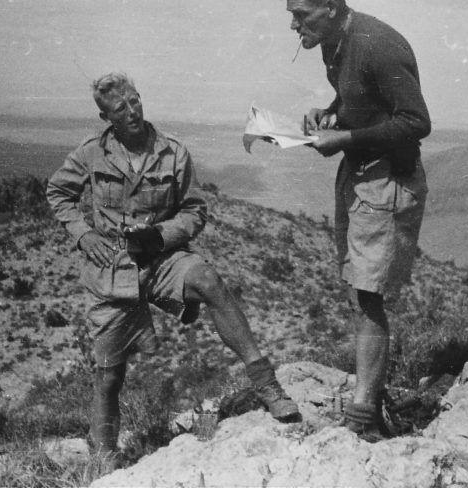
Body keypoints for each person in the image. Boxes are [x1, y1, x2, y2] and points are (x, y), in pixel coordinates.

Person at [46, 72, 300, 462]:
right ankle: (104, 461)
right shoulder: (91, 153)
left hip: (162, 258)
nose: (132, 112)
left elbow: (195, 210)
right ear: (106, 118)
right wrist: (84, 235)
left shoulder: (173, 152)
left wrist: (160, 235)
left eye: (135, 101)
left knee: (208, 279)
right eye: (120, 108)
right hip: (113, 268)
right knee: (109, 375)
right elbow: (58, 192)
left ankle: (266, 384)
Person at [275, 0, 430, 441]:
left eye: (301, 15)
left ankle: (363, 419)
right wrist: (332, 113)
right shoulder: (333, 43)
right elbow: (364, 100)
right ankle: (370, 406)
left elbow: (416, 122)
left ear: (330, 7)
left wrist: (344, 138)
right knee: (359, 291)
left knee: (367, 296)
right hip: (361, 175)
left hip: (387, 181)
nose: (294, 25)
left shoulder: (378, 44)